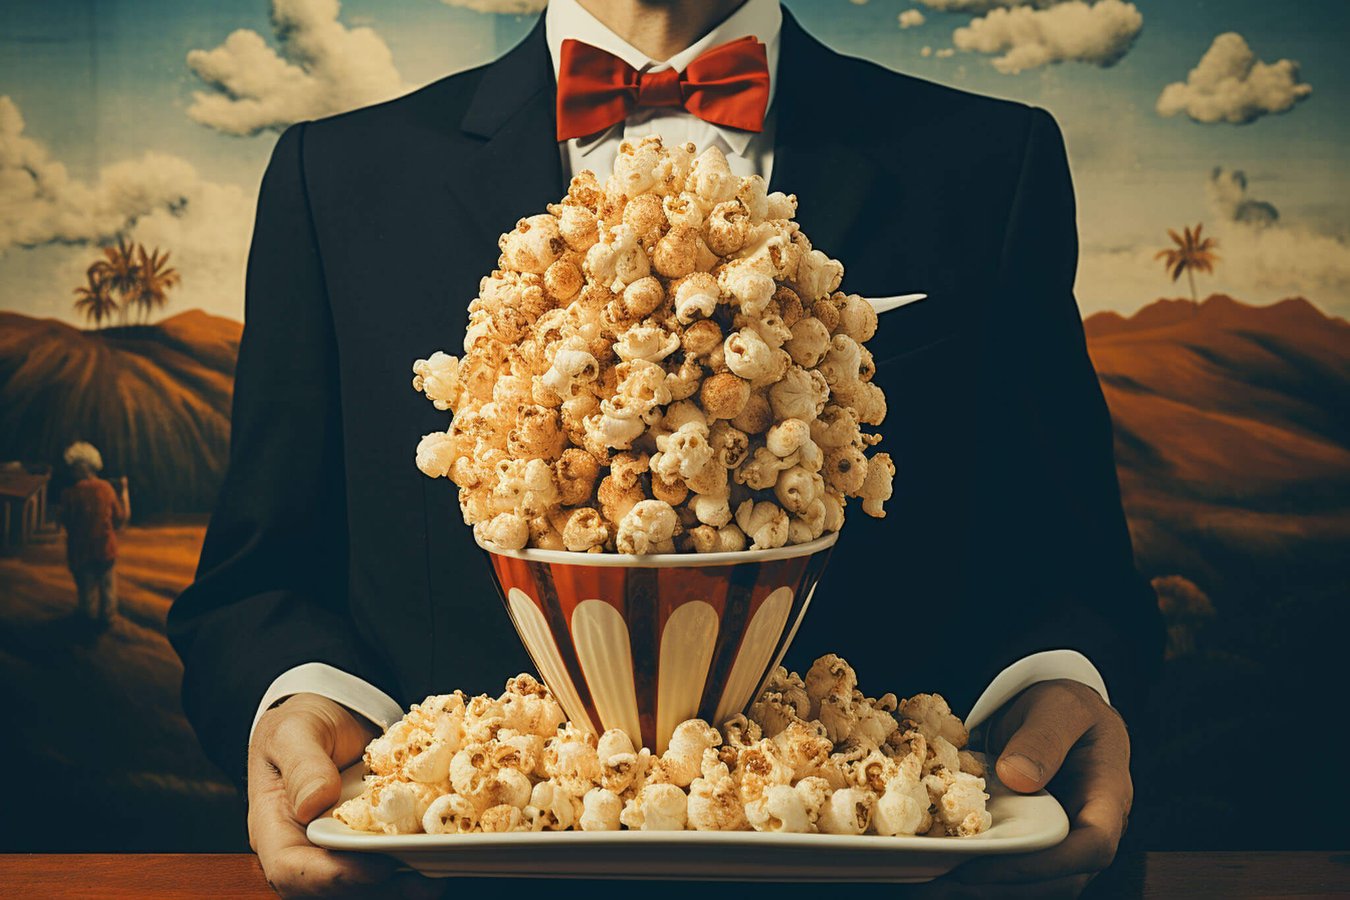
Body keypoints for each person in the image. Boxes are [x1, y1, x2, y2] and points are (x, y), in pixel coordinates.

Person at [170, 0, 1164, 894]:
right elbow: (259, 583)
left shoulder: (989, 162)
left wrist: (1057, 682)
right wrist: (301, 701)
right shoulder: (338, 179)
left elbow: (1070, 568)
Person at [61, 441, 127, 628]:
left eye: (74, 467)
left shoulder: (69, 494)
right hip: (105, 547)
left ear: (83, 467)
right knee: (107, 585)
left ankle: (86, 616)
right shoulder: (106, 488)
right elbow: (119, 516)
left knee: (86, 587)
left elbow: (66, 521)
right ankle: (108, 617)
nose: (72, 472)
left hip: (80, 549)